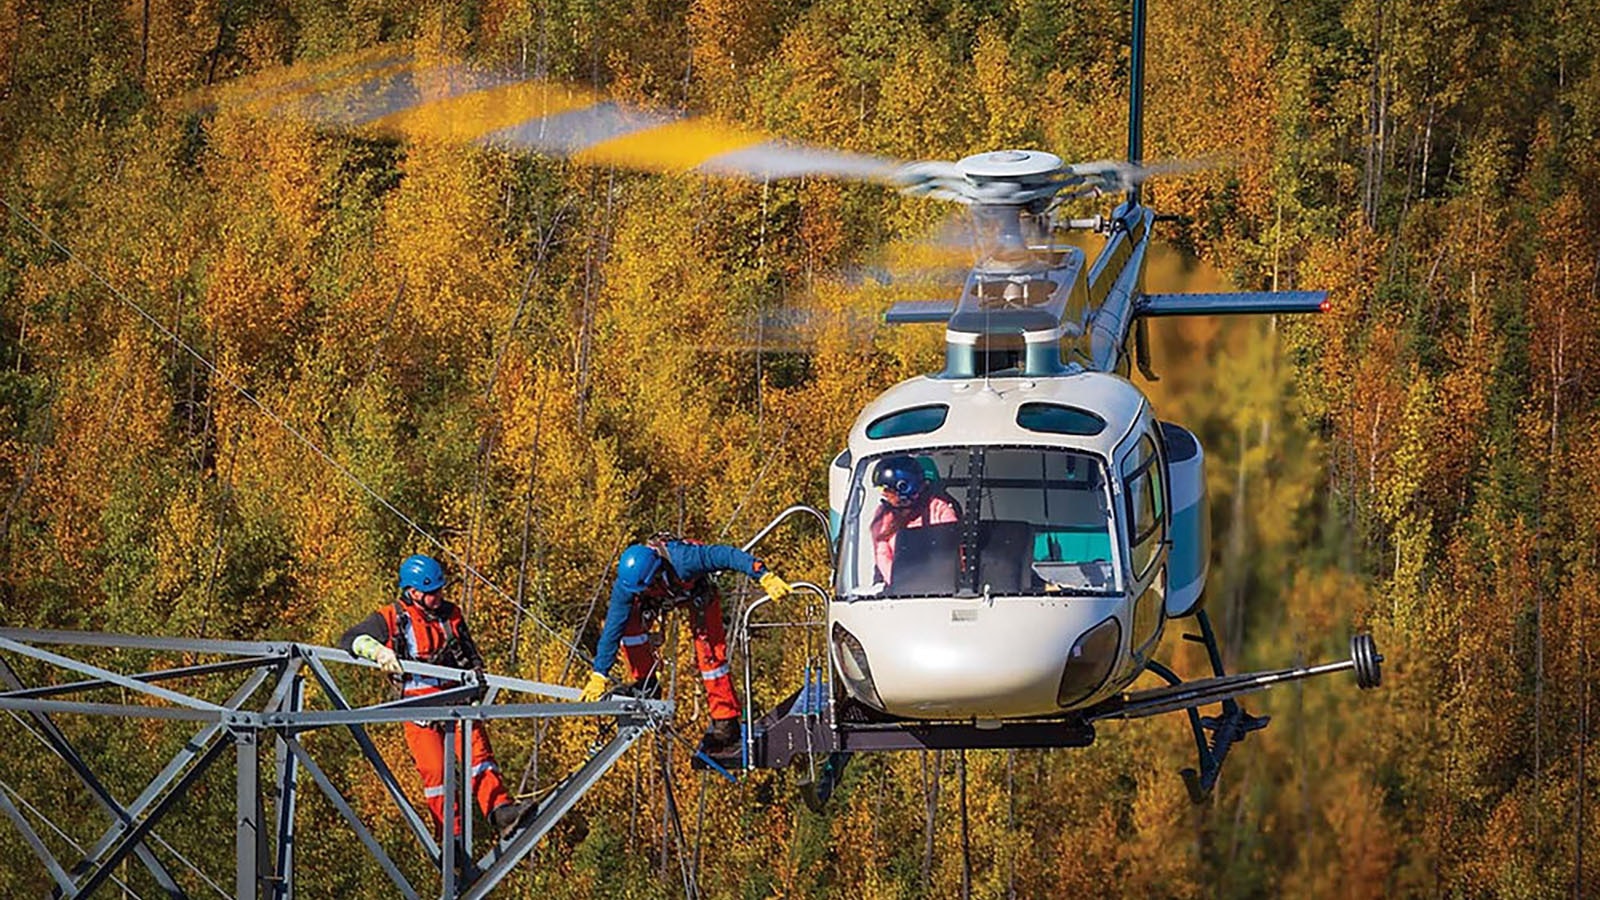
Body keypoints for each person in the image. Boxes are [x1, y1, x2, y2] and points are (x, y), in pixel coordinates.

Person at [341, 554, 532, 840]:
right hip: (419, 711)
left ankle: (501, 811)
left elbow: (470, 655)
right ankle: (450, 838)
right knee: (437, 775)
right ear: (412, 592)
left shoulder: (451, 615)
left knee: (479, 758)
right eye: (431, 593)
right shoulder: (393, 618)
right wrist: (378, 651)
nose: (438, 597)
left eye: (439, 590)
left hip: (457, 701)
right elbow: (351, 639)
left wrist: (476, 690)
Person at [579, 535, 792, 754]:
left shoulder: (684, 560)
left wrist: (764, 575)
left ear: (656, 574)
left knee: (709, 655)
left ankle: (725, 721)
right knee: (629, 626)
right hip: (663, 597)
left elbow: (726, 555)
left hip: (698, 595)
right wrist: (599, 674)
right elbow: (613, 627)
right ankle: (646, 683)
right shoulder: (627, 585)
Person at [869, 455, 959, 585]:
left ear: (905, 487)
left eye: (887, 489)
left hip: (937, 588)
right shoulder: (884, 514)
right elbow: (882, 555)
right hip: (897, 589)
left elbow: (950, 555)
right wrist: (900, 583)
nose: (884, 493)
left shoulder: (939, 510)